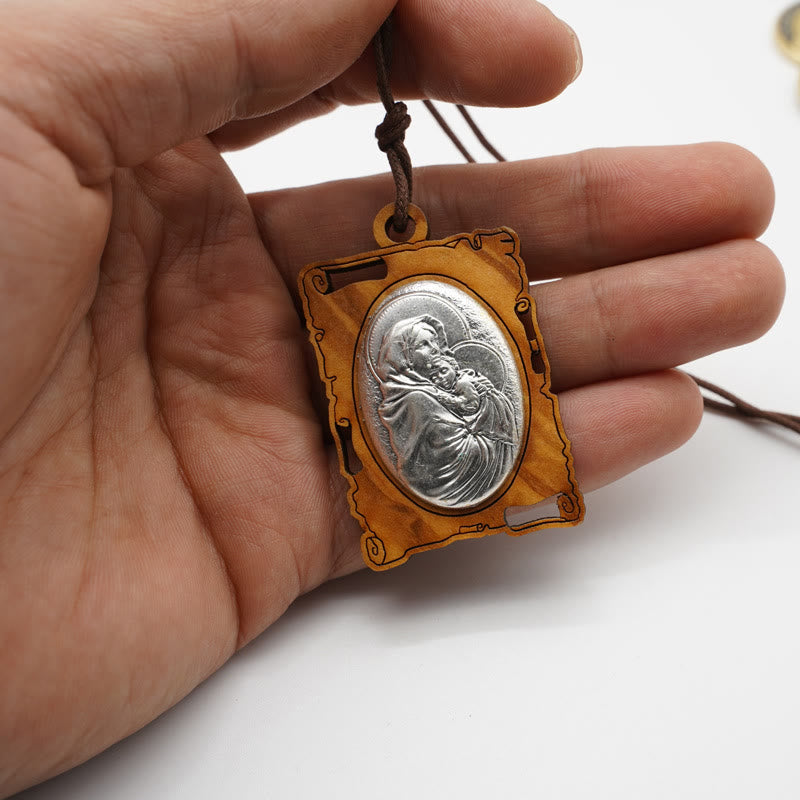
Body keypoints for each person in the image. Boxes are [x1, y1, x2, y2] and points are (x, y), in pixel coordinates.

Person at [0, 0, 784, 795]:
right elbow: (432, 443)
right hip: (450, 467)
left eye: (439, 346)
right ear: (405, 354)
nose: (439, 356)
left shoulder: (441, 369)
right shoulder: (404, 393)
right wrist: (464, 411)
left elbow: (481, 409)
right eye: (425, 350)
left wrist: (478, 401)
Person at [375, 316, 516, 505]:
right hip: (448, 483)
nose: (434, 348)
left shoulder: (446, 383)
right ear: (405, 357)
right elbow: (452, 451)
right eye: (424, 344)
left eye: (434, 341)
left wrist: (489, 401)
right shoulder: (415, 397)